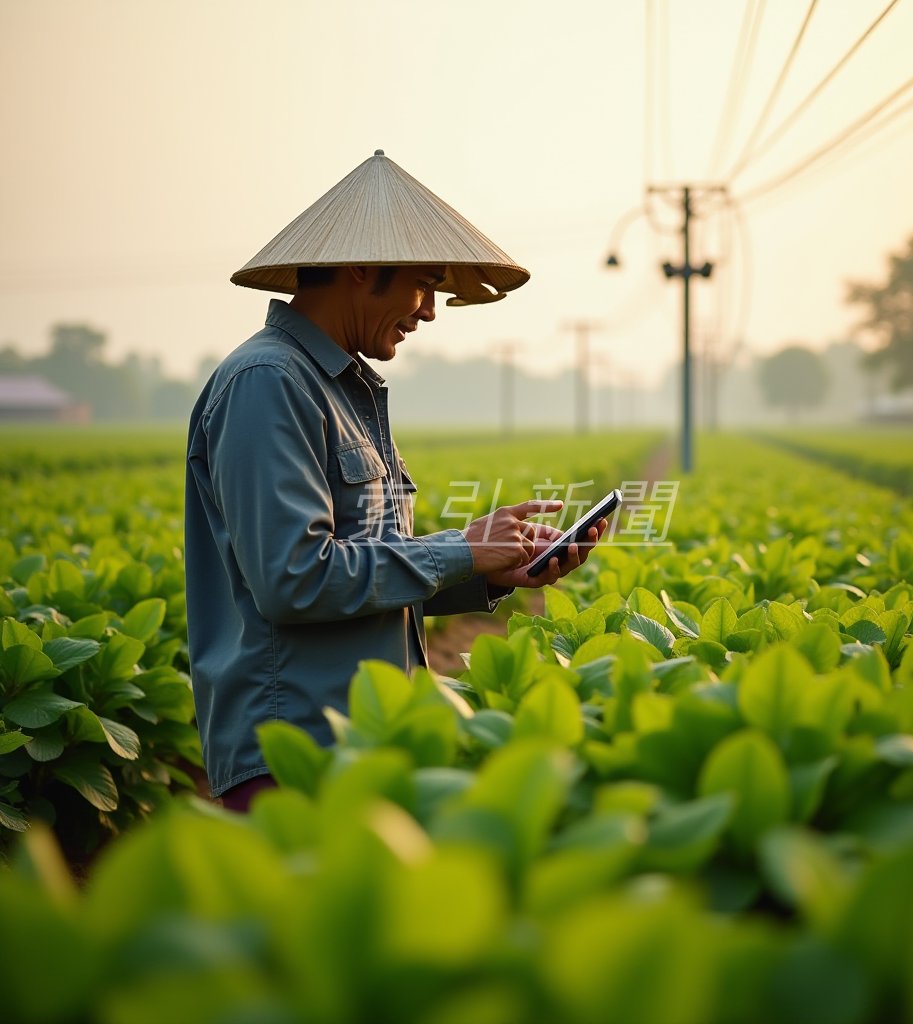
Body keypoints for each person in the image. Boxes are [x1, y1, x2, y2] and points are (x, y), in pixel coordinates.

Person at [184, 150, 607, 811]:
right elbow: (293, 579)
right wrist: (458, 549)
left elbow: (360, 576)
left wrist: (487, 571)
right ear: (360, 268)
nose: (432, 310)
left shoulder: (341, 389)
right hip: (295, 753)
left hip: (363, 739)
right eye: (425, 284)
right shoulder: (269, 384)